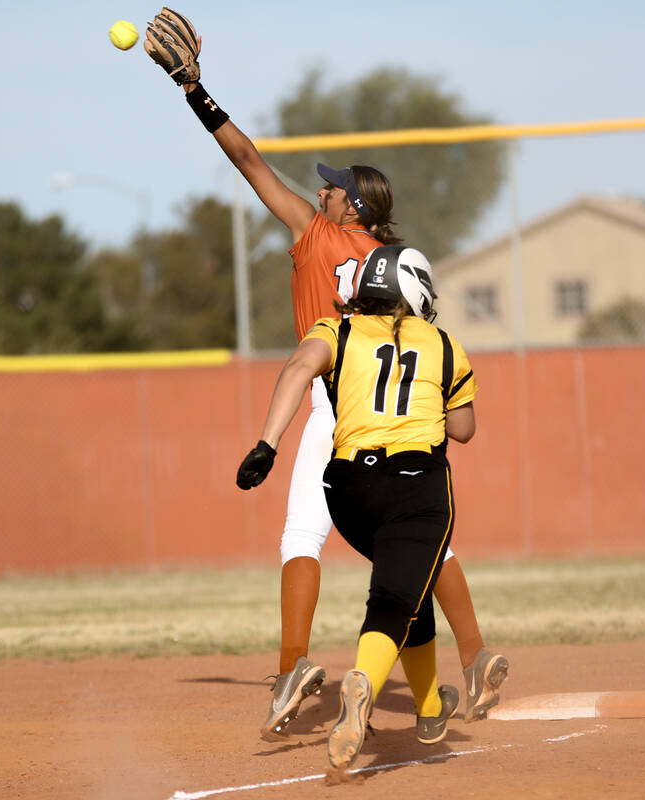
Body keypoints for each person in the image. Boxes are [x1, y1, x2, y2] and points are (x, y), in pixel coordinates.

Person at [142, 8, 508, 736]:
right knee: (422, 538)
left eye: (334, 189)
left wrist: (193, 88)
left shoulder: (315, 236)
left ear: (354, 206)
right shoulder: (395, 271)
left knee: (301, 536)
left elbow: (246, 160)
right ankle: (474, 654)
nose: (322, 192)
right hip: (397, 403)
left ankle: (291, 670)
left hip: (332, 396)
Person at [236, 243, 475, 771]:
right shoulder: (443, 344)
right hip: (414, 484)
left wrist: (267, 444)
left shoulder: (336, 329)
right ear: (413, 291)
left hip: (346, 489)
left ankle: (431, 707)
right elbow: (464, 429)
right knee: (395, 595)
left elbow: (300, 365)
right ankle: (366, 679)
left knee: (391, 575)